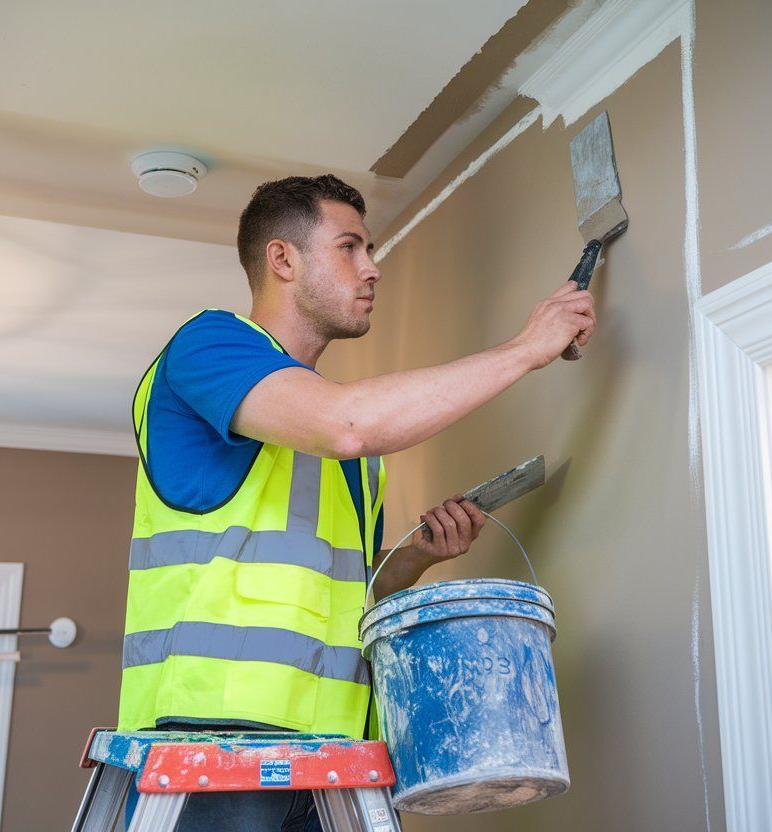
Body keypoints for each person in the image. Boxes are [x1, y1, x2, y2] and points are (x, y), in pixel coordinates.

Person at [118, 174, 596, 830]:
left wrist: (417, 559)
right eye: (350, 248)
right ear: (282, 259)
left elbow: (352, 594)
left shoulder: (347, 451)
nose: (372, 269)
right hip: (216, 742)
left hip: (334, 751)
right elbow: (347, 423)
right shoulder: (210, 347)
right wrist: (525, 350)